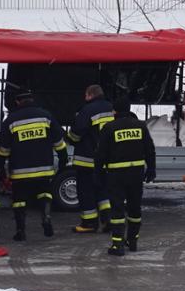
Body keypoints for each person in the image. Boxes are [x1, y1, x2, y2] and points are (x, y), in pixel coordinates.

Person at [0, 86, 66, 242]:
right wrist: (63, 161)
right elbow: (59, 142)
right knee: (45, 194)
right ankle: (46, 217)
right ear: (32, 99)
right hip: (44, 168)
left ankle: (21, 231)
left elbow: (3, 150)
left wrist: (0, 170)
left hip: (20, 171)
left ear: (17, 101)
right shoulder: (46, 116)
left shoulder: (11, 121)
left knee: (19, 200)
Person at [94, 98, 156, 257]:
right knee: (135, 208)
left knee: (117, 210)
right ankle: (133, 241)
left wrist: (98, 172)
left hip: (116, 176)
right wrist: (151, 168)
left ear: (115, 111)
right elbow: (149, 149)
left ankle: (117, 245)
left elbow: (101, 154)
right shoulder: (141, 126)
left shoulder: (109, 128)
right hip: (136, 175)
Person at [64, 84, 116, 234]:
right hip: (106, 160)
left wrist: (69, 138)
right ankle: (108, 220)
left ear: (90, 95)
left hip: (87, 160)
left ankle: (89, 223)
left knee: (86, 191)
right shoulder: (111, 108)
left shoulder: (87, 110)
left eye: (86, 95)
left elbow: (76, 134)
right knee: (103, 191)